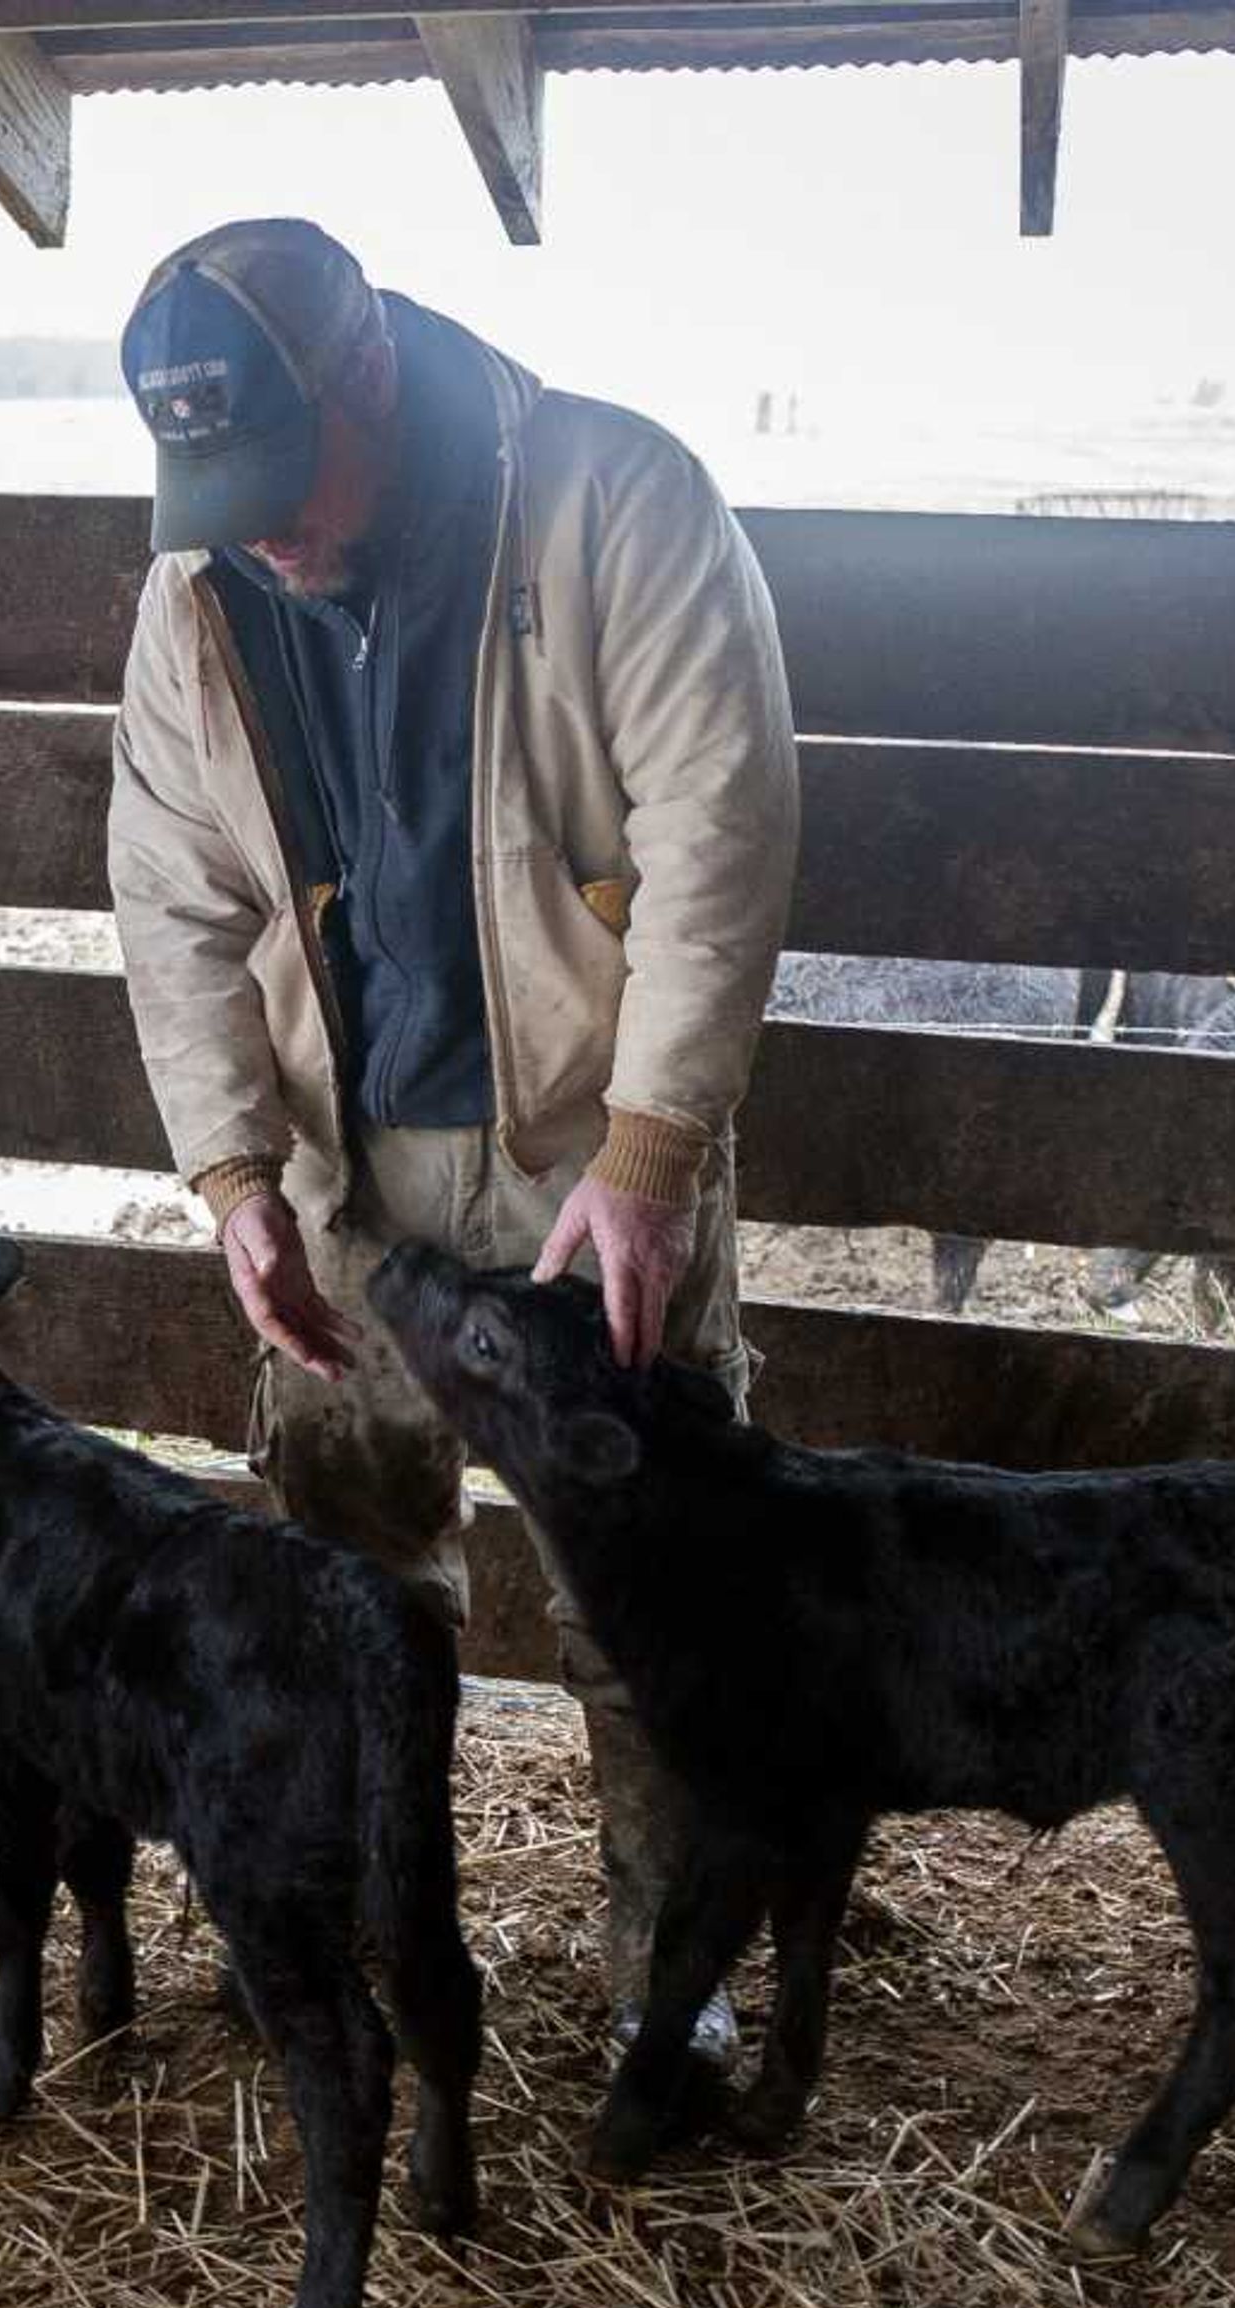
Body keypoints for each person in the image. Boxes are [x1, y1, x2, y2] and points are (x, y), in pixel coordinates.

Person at [100, 217, 800, 2053]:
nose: (256, 523)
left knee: (646, 1577)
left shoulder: (610, 502)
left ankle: (675, 1985)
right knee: (343, 1555)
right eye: (212, 481)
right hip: (347, 1163)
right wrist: (235, 1172)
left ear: (371, 381)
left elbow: (719, 827)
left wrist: (654, 1154)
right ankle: (354, 1931)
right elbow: (169, 892)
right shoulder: (198, 587)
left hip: (585, 1148)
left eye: (277, 473)